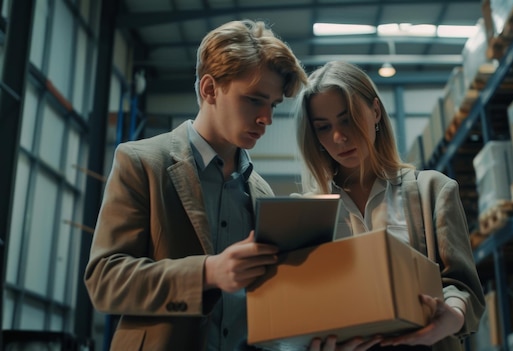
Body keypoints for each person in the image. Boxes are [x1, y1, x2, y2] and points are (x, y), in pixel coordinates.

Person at [84, 19, 307, 350]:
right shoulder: (141, 163)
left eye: (272, 105)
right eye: (254, 100)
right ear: (209, 89)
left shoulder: (261, 192)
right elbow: (105, 281)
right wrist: (208, 273)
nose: (267, 118)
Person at [293, 61, 485, 351]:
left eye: (348, 119)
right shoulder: (305, 213)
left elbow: (463, 286)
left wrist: (452, 316)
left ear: (375, 111)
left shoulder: (432, 190)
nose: (338, 137)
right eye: (323, 127)